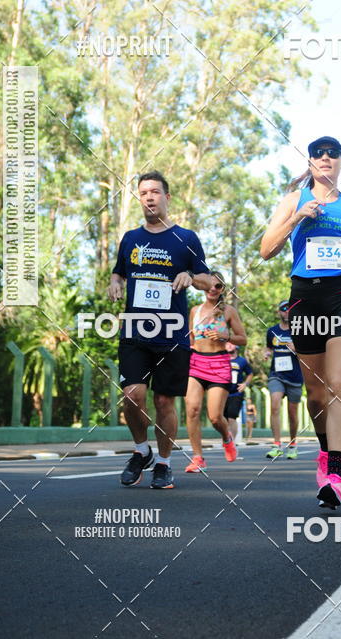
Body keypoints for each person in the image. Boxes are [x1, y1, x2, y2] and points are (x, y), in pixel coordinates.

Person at [260, 135, 341, 508]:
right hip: (305, 297)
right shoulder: (293, 201)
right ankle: (326, 451)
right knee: (315, 393)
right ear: (310, 162)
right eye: (318, 153)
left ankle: (335, 476)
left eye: (332, 153)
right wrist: (297, 218)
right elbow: (266, 250)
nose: (325, 158)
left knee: (339, 383)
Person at [109, 171, 213, 490]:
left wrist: (190, 277)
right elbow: (118, 272)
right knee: (132, 395)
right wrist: (115, 283)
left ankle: (164, 463)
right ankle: (142, 451)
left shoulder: (186, 238)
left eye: (155, 192)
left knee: (165, 402)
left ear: (167, 197)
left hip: (172, 333)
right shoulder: (130, 238)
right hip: (135, 330)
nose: (149, 197)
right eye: (143, 193)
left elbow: (208, 280)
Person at [184, 272, 248, 472]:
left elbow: (243, 339)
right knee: (192, 409)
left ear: (222, 290)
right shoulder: (195, 310)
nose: (213, 289)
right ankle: (197, 457)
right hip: (196, 363)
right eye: (210, 285)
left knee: (215, 417)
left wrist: (225, 336)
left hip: (219, 364)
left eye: (218, 286)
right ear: (203, 286)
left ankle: (227, 437)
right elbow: (190, 338)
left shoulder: (228, 311)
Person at [265, 301, 304, 459]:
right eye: (284, 309)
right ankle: (276, 444)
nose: (287, 312)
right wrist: (267, 353)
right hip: (277, 374)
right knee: (275, 405)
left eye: (290, 309)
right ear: (279, 312)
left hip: (295, 377)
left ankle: (293, 444)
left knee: (292, 414)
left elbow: (310, 353)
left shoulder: (300, 331)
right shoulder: (272, 331)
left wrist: (298, 349)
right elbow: (269, 347)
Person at [224, 343, 253, 442]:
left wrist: (245, 384)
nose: (229, 345)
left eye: (232, 344)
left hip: (236, 393)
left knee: (232, 417)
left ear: (236, 346)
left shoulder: (242, 361)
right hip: (223, 393)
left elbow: (250, 374)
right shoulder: (221, 359)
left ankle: (231, 442)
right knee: (222, 419)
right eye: (227, 344)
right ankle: (225, 439)